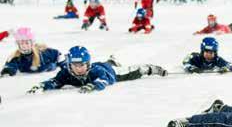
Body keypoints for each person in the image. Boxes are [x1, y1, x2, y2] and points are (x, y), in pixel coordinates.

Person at [26, 46, 167, 94]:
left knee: (132, 72)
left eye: (82, 65)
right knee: (110, 63)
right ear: (69, 66)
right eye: (75, 65)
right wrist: (42, 86)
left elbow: (104, 79)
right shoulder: (65, 73)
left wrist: (94, 85)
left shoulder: (95, 71)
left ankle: (150, 68)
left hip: (110, 72)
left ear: (88, 64)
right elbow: (55, 81)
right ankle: (111, 60)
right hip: (104, 66)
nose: (79, 68)